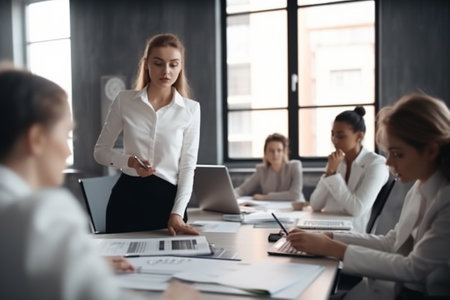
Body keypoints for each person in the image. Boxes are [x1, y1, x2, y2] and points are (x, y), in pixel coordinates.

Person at [0, 69, 199, 300]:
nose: (66, 151)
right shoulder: (42, 216)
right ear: (36, 139)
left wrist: (76, 264)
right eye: (65, 136)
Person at [287, 93, 450, 299]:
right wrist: (330, 237)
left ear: (431, 150)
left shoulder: (445, 199)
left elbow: (414, 270)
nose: (389, 162)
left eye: (398, 154)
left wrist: (333, 248)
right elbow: (391, 242)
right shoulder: (419, 187)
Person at [94, 33, 200, 235]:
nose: (166, 71)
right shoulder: (124, 101)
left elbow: (187, 166)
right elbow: (100, 152)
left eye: (173, 64)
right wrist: (130, 161)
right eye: (158, 63)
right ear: (146, 64)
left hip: (168, 206)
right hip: (126, 202)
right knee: (122, 266)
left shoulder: (191, 110)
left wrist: (177, 212)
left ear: (180, 66)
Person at [309, 106, 389, 233]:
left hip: (352, 232)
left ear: (359, 136)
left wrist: (333, 176)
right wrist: (330, 172)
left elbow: (357, 209)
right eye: (333, 135)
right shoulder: (336, 162)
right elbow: (315, 204)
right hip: (328, 226)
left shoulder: (377, 164)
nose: (334, 140)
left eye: (341, 136)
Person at [234, 133, 306, 203]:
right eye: (271, 151)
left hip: (295, 210)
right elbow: (243, 189)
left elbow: (294, 195)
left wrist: (265, 197)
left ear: (284, 152)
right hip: (271, 210)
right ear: (265, 153)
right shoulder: (261, 170)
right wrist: (233, 195)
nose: (275, 154)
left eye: (279, 150)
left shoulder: (295, 166)